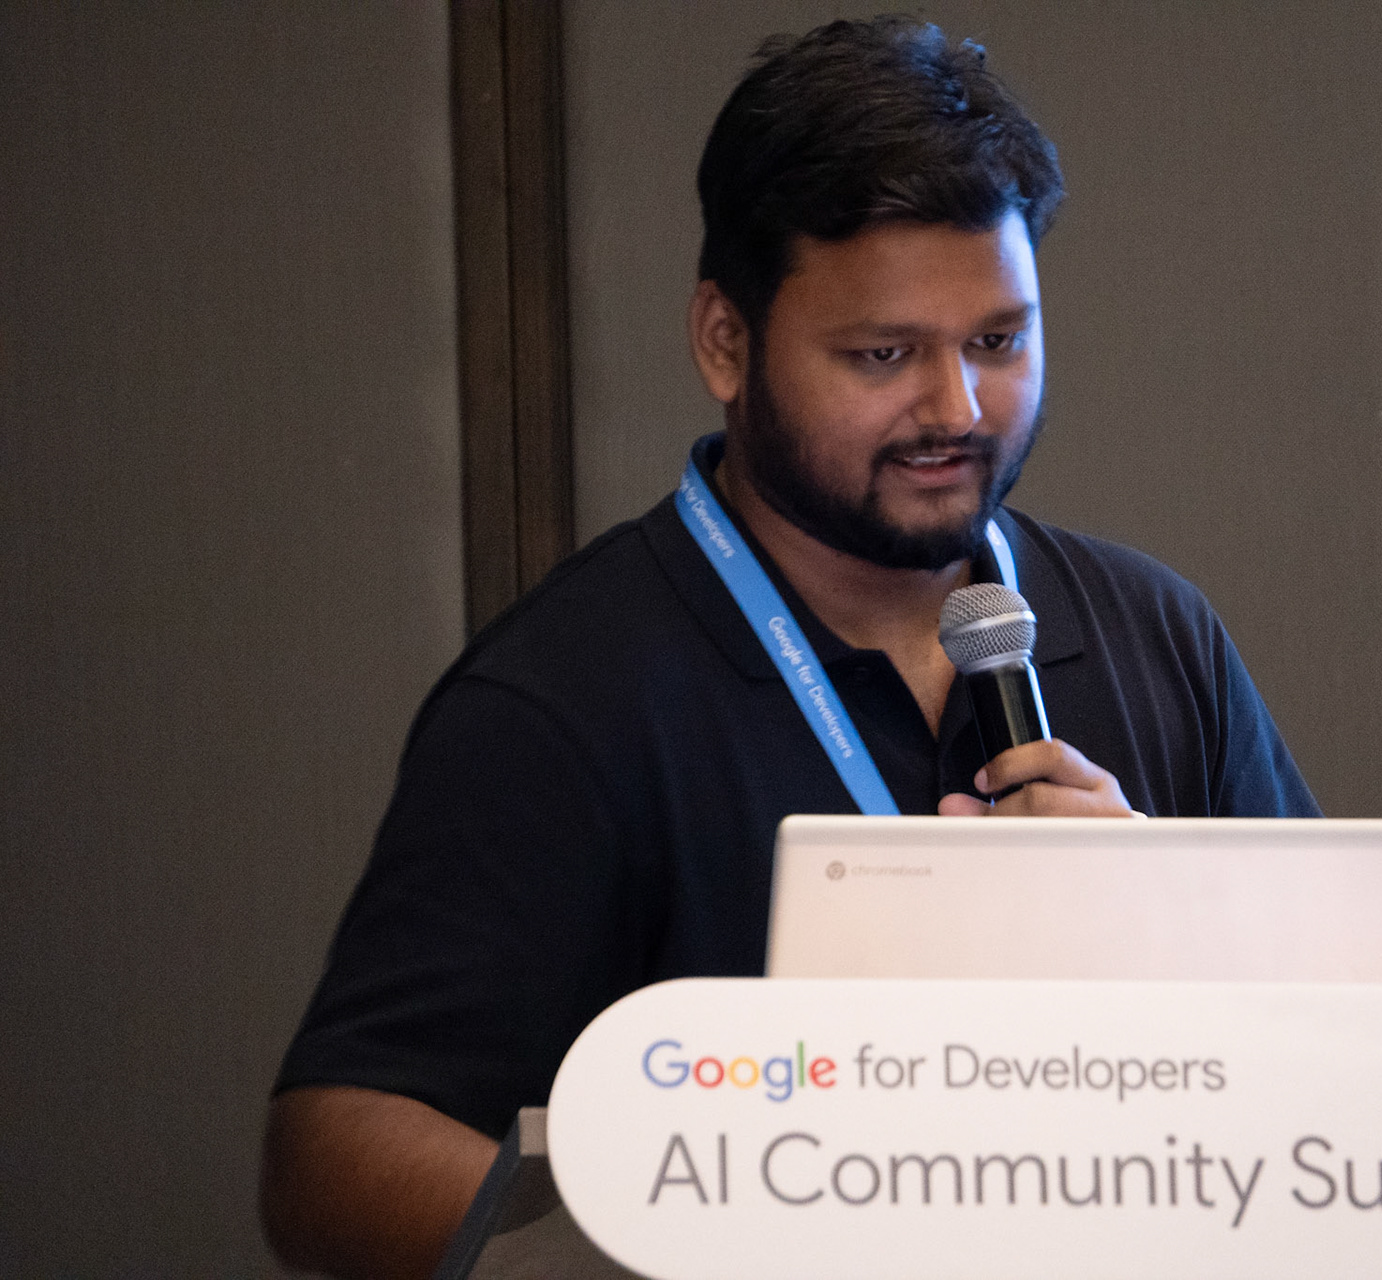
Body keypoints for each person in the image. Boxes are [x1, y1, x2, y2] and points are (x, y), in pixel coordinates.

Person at [260, 16, 1318, 1279]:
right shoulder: (563, 697)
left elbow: (1360, 1077)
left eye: (998, 341)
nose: (957, 408)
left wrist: (1175, 935)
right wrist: (719, 1226)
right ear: (726, 341)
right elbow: (331, 1158)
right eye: (884, 354)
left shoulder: (1156, 631)